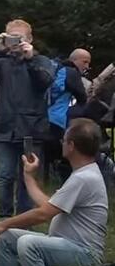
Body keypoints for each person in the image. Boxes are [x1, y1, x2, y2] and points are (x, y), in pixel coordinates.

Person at [0, 118, 108, 266]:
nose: (61, 143)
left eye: (64, 140)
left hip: (85, 254)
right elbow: (49, 206)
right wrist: (29, 176)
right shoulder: (83, 174)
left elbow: (43, 214)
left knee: (28, 244)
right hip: (64, 245)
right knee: (5, 238)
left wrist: (5, 222)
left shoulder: (84, 178)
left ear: (71, 145)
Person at [0, 19, 55, 219]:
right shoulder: (3, 62)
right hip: (6, 127)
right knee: (5, 176)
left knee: (27, 178)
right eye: (9, 37)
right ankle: (5, 218)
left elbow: (45, 81)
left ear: (29, 39)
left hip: (31, 129)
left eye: (18, 38)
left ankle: (23, 219)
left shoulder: (41, 61)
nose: (14, 42)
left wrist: (30, 59)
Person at [46, 49, 90, 184]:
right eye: (85, 62)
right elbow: (82, 97)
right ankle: (67, 186)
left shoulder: (54, 68)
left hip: (40, 118)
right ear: (75, 60)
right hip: (57, 120)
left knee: (44, 156)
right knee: (67, 154)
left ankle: (43, 183)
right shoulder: (71, 72)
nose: (87, 66)